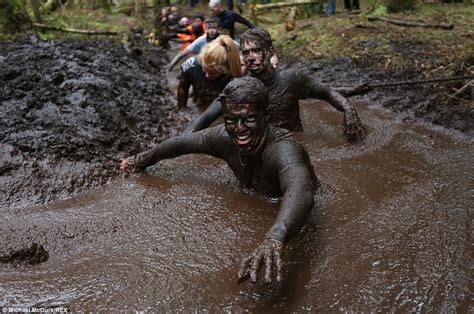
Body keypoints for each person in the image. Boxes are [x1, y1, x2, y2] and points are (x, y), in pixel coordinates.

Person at [119, 76, 318, 284]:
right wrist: (138, 161)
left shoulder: (283, 149)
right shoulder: (223, 138)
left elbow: (301, 191)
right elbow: (181, 144)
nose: (239, 129)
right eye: (231, 119)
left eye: (249, 119)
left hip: (295, 215)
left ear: (265, 116)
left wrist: (275, 238)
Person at [186, 28, 366, 142]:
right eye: (246, 52)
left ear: (269, 52)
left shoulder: (292, 79)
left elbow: (327, 93)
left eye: (256, 51)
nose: (251, 57)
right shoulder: (238, 87)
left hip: (297, 142)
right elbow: (204, 119)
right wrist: (179, 143)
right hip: (262, 146)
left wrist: (349, 112)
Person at [176, 35, 242, 110]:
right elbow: (183, 88)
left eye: (212, 73)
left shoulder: (234, 72)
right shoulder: (193, 64)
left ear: (225, 70)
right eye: (204, 70)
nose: (207, 75)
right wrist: (182, 110)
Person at [168, 16, 239, 71]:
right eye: (209, 28)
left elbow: (238, 47)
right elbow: (182, 54)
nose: (211, 31)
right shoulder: (201, 40)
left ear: (219, 29)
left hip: (222, 67)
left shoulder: (224, 39)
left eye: (214, 28)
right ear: (205, 29)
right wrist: (170, 68)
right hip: (205, 67)